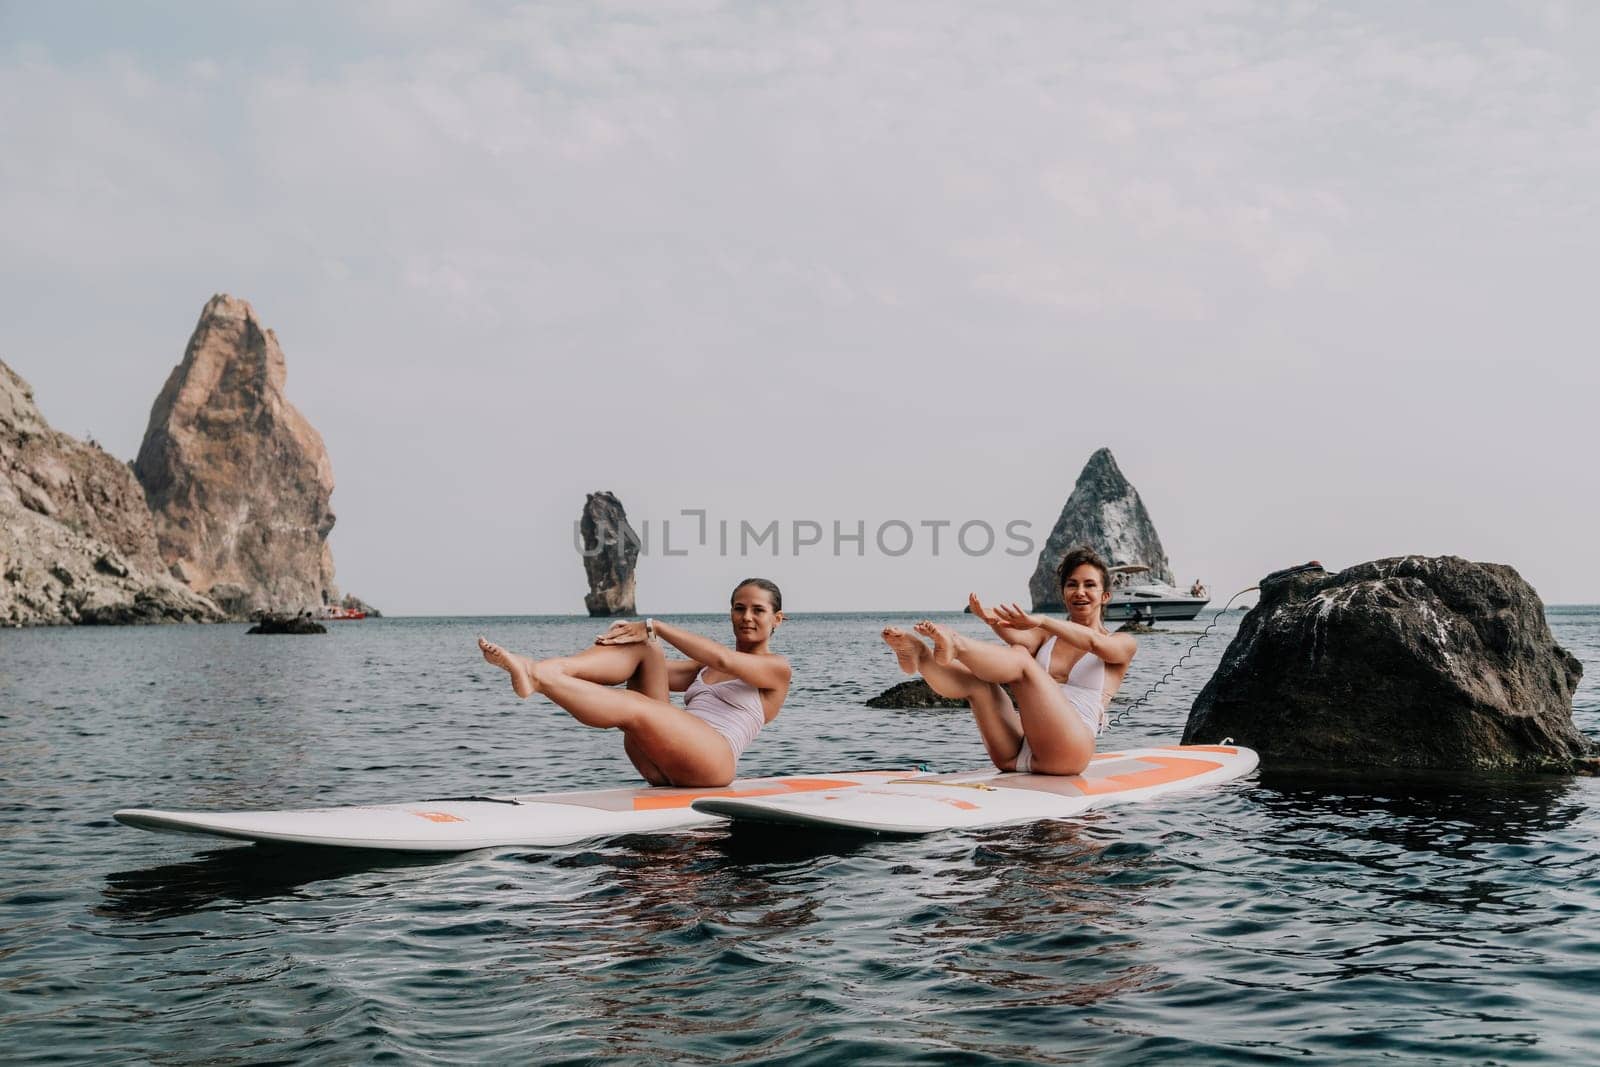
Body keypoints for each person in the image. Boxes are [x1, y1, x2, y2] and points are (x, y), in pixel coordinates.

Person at [478, 578, 791, 788]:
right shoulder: (703, 665)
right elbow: (640, 669)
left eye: (758, 610)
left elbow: (726, 660)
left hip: (711, 764)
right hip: (659, 757)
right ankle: (539, 669)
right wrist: (623, 638)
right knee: (643, 648)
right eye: (739, 608)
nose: (746, 616)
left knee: (641, 701)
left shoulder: (776, 669)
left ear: (777, 619)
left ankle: (539, 678)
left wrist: (655, 626)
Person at [881, 546, 1136, 776]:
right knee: (979, 686)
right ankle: (921, 656)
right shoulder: (1045, 637)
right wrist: (990, 619)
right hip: (1016, 751)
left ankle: (955, 643)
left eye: (1089, 585)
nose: (1080, 592)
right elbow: (1015, 636)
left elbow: (1093, 643)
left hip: (1069, 752)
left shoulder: (1122, 642)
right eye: (1072, 584)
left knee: (1022, 660)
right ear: (1063, 592)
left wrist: (1043, 620)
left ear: (1105, 596)